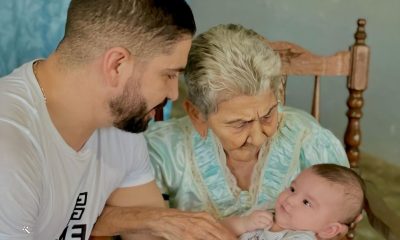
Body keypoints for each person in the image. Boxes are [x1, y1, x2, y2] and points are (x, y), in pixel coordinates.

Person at [0, 1, 236, 240]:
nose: (174, 93)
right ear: (117, 65)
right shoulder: (10, 148)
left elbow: (152, 230)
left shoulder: (119, 123)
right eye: (169, 74)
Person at [145, 24, 350, 221]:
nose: (259, 137)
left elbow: (340, 223)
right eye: (239, 124)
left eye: (268, 114)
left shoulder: (309, 139)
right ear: (198, 114)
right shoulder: (166, 151)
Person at [222, 164, 365, 240]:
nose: (290, 199)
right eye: (292, 189)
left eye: (306, 202)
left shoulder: (300, 237)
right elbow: (217, 229)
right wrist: (244, 223)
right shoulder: (268, 211)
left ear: (328, 230)